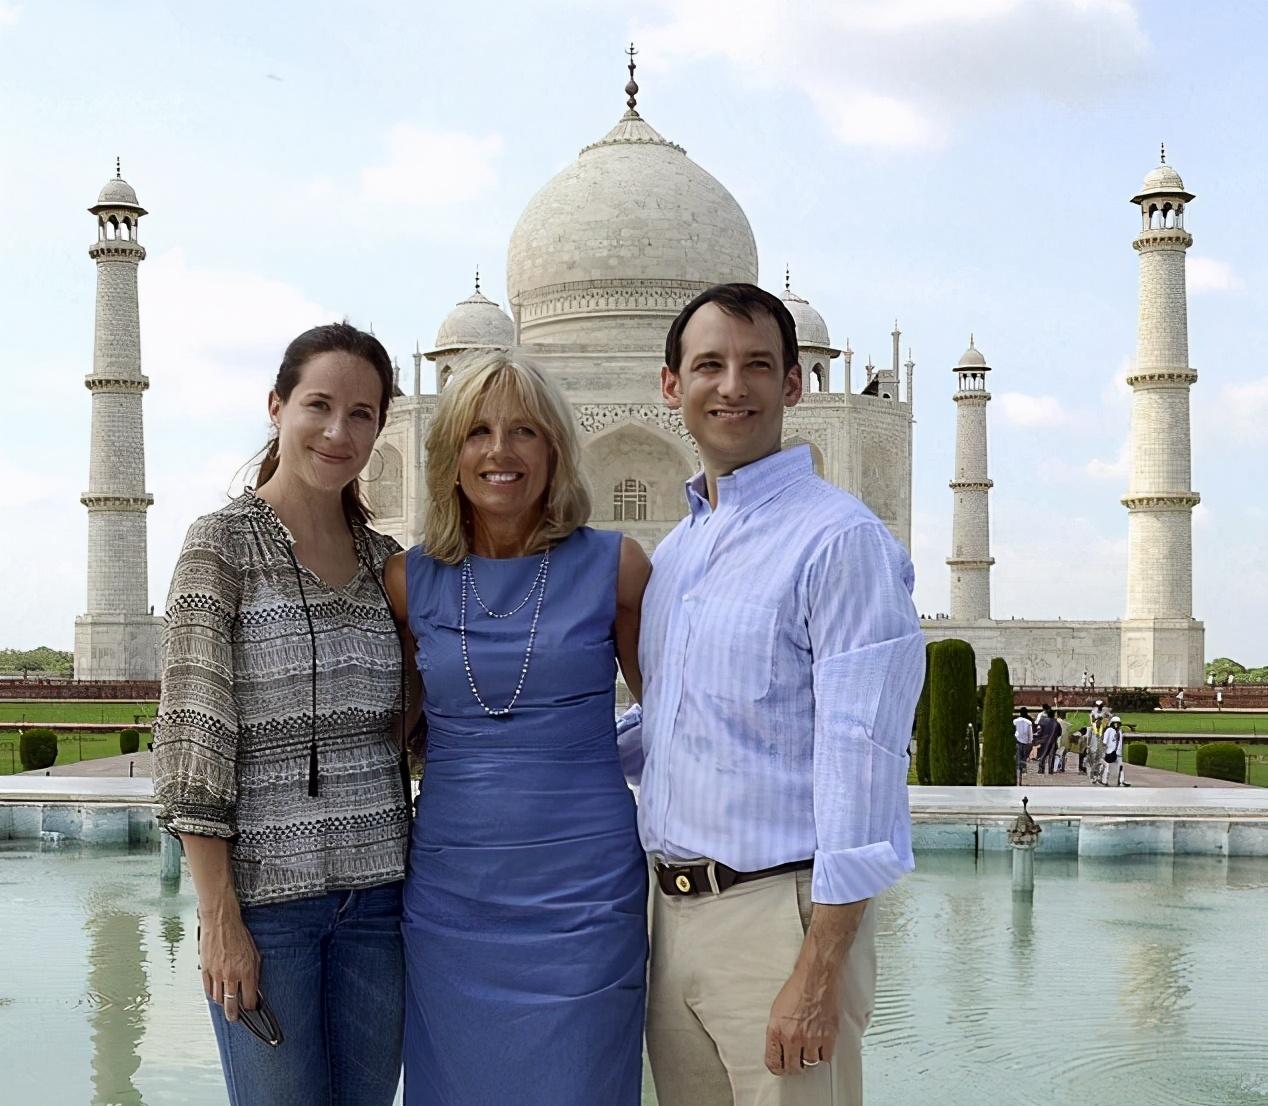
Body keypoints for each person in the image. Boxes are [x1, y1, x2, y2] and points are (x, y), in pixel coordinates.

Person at [618, 284, 924, 1106]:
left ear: (795, 383)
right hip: (670, 917)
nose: (733, 386)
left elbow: (862, 768)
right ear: (669, 386)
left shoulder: (840, 540)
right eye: (709, 365)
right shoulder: (680, 549)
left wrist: (819, 971)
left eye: (758, 365)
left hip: (781, 921)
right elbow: (676, 728)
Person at [152, 323, 412, 1106]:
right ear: (277, 407)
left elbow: (411, 726)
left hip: (381, 904)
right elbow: (194, 739)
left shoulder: (384, 561)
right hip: (267, 912)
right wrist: (219, 917)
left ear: (380, 428)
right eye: (319, 405)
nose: (339, 431)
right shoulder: (221, 546)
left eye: (361, 413)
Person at [386, 353, 652, 1106]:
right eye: (478, 432)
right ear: (450, 454)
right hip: (453, 892)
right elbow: (388, 726)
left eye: (524, 432)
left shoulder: (616, 569)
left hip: (585, 896)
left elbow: (679, 724)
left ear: (555, 451)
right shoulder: (410, 582)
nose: (499, 451)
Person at [1035, 704, 1060, 775]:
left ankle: (1041, 770)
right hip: (1053, 741)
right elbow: (1059, 733)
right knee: (1051, 756)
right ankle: (1050, 770)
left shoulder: (1042, 721)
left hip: (1044, 740)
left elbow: (1039, 731)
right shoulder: (1056, 723)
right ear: (1053, 715)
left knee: (1042, 755)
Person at [1099, 716, 1125, 786]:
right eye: (1115, 723)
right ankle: (1103, 780)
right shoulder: (1109, 730)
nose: (1116, 725)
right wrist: (1103, 752)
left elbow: (1120, 742)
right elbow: (1104, 742)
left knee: (1121, 766)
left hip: (1118, 752)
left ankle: (1121, 781)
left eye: (1118, 723)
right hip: (1109, 752)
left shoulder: (1119, 731)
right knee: (1106, 766)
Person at [1014, 707, 1035, 782]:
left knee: (1018, 754)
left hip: (1017, 740)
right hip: (1026, 742)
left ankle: (1018, 768)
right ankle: (1023, 768)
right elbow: (1031, 732)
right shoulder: (1029, 721)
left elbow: (1013, 730)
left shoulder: (1015, 721)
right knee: (1024, 755)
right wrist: (1030, 741)